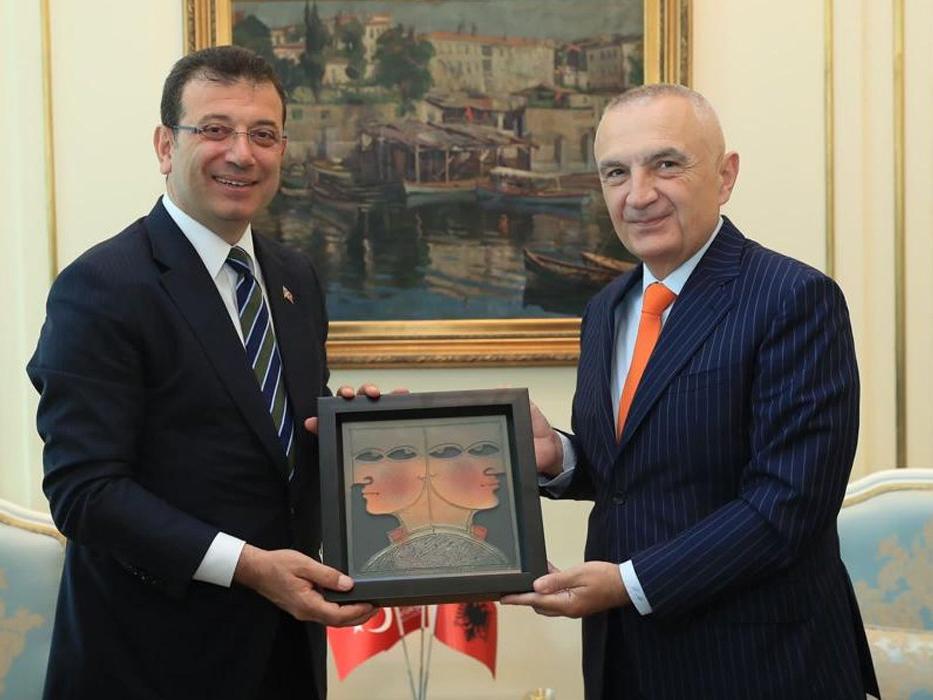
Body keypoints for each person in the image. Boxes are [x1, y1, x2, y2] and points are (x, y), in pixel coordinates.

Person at [502, 84, 879, 699]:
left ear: (725, 176)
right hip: (625, 661)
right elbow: (640, 473)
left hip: (761, 665)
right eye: (616, 173)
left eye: (666, 164)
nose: (638, 194)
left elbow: (787, 506)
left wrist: (628, 584)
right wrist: (562, 459)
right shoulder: (605, 309)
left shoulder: (793, 299)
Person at [26, 46, 377, 700]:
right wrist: (247, 566)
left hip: (286, 650)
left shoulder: (295, 277)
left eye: (263, 134)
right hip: (151, 659)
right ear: (166, 146)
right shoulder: (102, 287)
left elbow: (274, 446)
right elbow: (85, 491)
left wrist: (359, 436)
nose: (242, 154)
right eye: (215, 129)